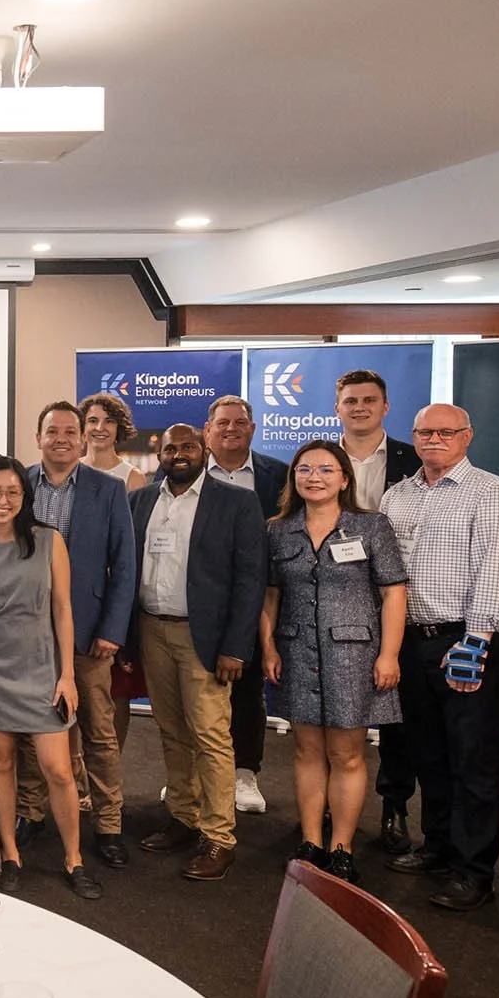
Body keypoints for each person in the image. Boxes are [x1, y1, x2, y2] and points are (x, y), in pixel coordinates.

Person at [379, 403, 499, 913]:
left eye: (446, 432)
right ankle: (438, 846)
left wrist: (477, 640)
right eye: (425, 432)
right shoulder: (397, 495)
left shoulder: (491, 491)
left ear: (468, 435)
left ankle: (474, 870)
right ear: (414, 438)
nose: (435, 439)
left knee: (473, 761)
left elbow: (496, 566)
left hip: (465, 641)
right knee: (428, 754)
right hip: (410, 640)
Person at [258, 440, 407, 887]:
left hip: (354, 656)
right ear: (294, 479)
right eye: (304, 470)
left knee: (346, 754)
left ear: (344, 479)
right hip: (296, 651)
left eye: (325, 470)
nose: (314, 477)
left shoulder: (371, 526)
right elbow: (271, 594)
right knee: (306, 751)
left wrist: (389, 654)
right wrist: (268, 647)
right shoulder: (278, 530)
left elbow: (393, 592)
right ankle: (310, 841)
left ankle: (341, 845)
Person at [129, 424, 266, 881]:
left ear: (203, 449)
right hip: (152, 628)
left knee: (210, 734)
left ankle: (219, 836)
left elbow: (250, 581)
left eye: (187, 446)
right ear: (161, 455)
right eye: (170, 448)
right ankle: (184, 818)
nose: (178, 454)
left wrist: (235, 647)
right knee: (170, 730)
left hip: (204, 638)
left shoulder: (236, 502)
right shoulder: (144, 499)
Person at [0, 455, 98, 897]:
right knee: (0, 762)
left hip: (42, 668)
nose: (3, 500)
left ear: (25, 496)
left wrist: (67, 675)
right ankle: (10, 854)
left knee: (58, 769)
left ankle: (74, 859)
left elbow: (63, 610)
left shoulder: (48, 541)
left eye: (13, 492)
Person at [16, 402, 139, 869]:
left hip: (88, 633)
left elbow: (124, 565)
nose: (62, 438)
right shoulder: (19, 484)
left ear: (83, 440)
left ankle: (109, 823)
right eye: (53, 431)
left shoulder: (108, 490)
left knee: (99, 733)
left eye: (71, 431)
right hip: (28, 632)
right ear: (38, 437)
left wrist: (113, 630)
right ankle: (31, 812)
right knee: (33, 728)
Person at [334, 369, 423, 855]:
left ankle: (394, 806)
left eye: (370, 400)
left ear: (386, 407)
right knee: (336, 714)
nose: (360, 407)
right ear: (338, 408)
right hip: (337, 602)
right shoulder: (318, 461)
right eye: (351, 400)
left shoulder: (414, 461)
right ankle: (329, 806)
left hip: (394, 600)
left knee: (396, 716)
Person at [202, 395, 288, 818]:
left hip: (257, 597)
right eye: (223, 423)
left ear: (253, 429)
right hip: (199, 600)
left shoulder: (279, 475)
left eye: (240, 422)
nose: (231, 429)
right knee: (197, 691)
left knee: (249, 689)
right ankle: (198, 773)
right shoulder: (187, 472)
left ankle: (244, 772)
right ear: (209, 429)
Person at [80, 391, 152, 492]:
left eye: (109, 421)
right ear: (82, 427)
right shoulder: (69, 471)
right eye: (93, 421)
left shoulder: (134, 478)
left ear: (119, 428)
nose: (100, 428)